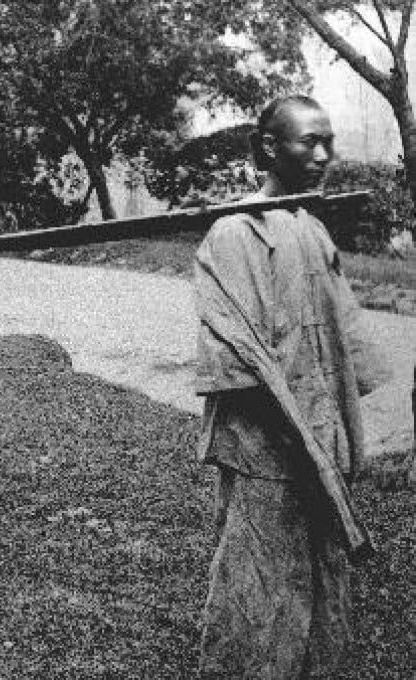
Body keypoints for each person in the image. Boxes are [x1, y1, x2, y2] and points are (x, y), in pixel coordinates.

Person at [193, 95, 392, 678]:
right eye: (309, 141)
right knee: (259, 588)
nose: (324, 154)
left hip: (319, 438)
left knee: (324, 584)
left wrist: (328, 436)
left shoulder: (310, 226)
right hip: (266, 446)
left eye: (328, 140)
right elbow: (236, 357)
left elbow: (344, 336)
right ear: (269, 148)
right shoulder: (234, 233)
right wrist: (295, 437)